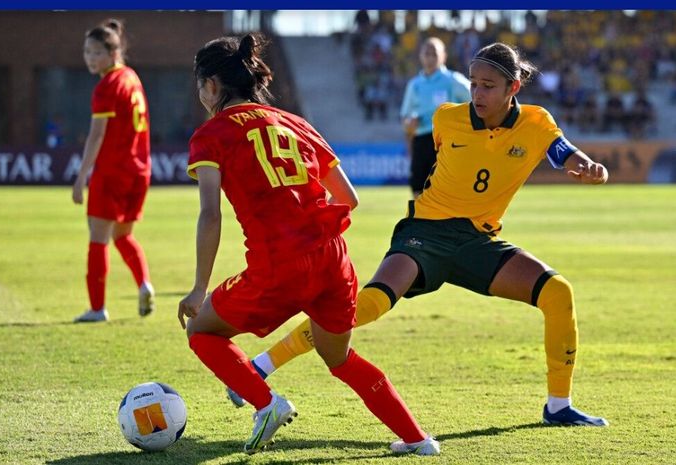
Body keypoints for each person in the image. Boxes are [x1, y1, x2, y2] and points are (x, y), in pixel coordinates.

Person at [229, 42, 610, 428]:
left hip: (479, 241)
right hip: (424, 234)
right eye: (474, 83)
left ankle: (558, 406)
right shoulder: (447, 119)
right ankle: (262, 365)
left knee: (557, 292)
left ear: (513, 88)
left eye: (488, 86)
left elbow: (561, 151)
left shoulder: (537, 122)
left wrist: (588, 166)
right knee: (368, 305)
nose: (477, 93)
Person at [177, 33, 439, 456]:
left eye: (199, 86)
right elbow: (349, 198)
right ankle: (417, 439)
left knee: (201, 331)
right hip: (333, 260)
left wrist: (197, 287)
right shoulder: (296, 122)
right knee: (341, 359)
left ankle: (266, 404)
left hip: (278, 263)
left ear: (211, 85)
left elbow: (211, 214)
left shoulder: (211, 134)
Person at [72, 19, 154, 322]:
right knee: (122, 235)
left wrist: (82, 176)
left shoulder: (106, 87)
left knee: (98, 237)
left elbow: (97, 135)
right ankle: (144, 283)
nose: (89, 58)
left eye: (95, 52)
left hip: (112, 171)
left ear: (112, 52)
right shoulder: (131, 77)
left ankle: (97, 309)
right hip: (139, 170)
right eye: (86, 52)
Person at [400, 37, 471, 197]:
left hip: (446, 142)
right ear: (421, 56)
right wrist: (408, 124)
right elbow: (405, 117)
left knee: (443, 189)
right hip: (421, 140)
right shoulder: (414, 85)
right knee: (418, 188)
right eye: (427, 53)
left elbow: (476, 102)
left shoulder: (453, 80)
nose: (430, 57)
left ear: (443, 56)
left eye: (434, 53)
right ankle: (421, 221)